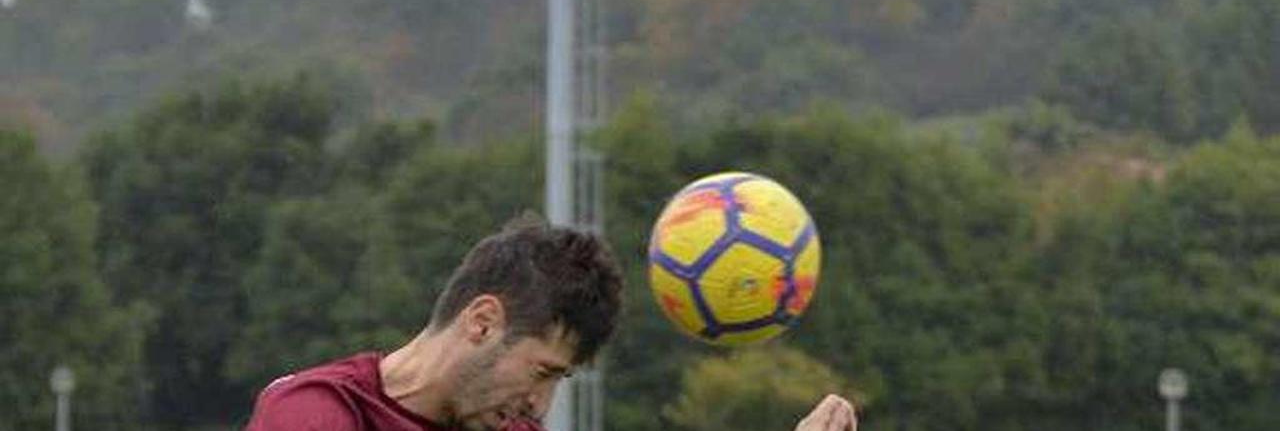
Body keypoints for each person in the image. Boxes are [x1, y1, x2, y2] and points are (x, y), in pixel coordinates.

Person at [246, 214, 857, 431]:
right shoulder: (317, 411)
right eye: (542, 372)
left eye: (557, 384)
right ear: (483, 321)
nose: (539, 408)